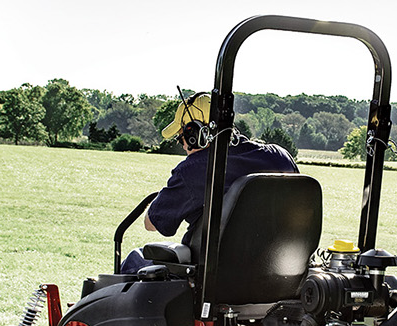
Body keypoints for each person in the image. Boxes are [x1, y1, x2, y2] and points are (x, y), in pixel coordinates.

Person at [120, 92, 298, 273]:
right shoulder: (280, 157)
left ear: (193, 134)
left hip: (213, 278)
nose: (182, 145)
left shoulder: (194, 170)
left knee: (135, 259)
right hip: (279, 273)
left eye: (181, 136)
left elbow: (152, 223)